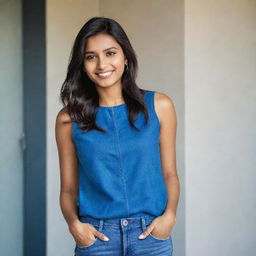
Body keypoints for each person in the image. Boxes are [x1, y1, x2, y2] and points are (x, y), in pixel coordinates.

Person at [55, 16, 180, 256]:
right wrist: (75, 225)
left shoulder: (159, 105)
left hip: (151, 237)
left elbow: (169, 173)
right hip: (98, 239)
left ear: (125, 57)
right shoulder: (68, 119)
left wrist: (170, 216)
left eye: (110, 53)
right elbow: (68, 189)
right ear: (82, 64)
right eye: (91, 57)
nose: (102, 65)